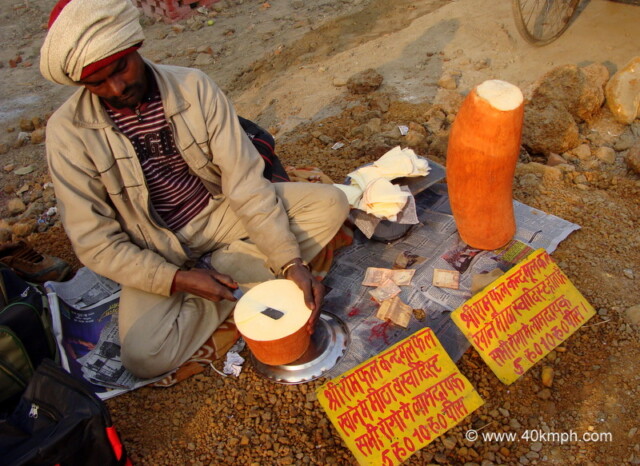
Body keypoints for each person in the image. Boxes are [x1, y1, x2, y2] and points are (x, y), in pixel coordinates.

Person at [40, 0, 349, 379]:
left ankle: (233, 277)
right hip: (153, 248)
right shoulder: (66, 133)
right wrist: (176, 279)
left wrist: (290, 261)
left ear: (134, 46)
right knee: (144, 356)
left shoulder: (193, 86)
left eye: (121, 68)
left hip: (220, 214)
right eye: (97, 82)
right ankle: (233, 281)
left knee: (332, 203)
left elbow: (245, 183)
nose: (117, 87)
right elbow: (95, 243)